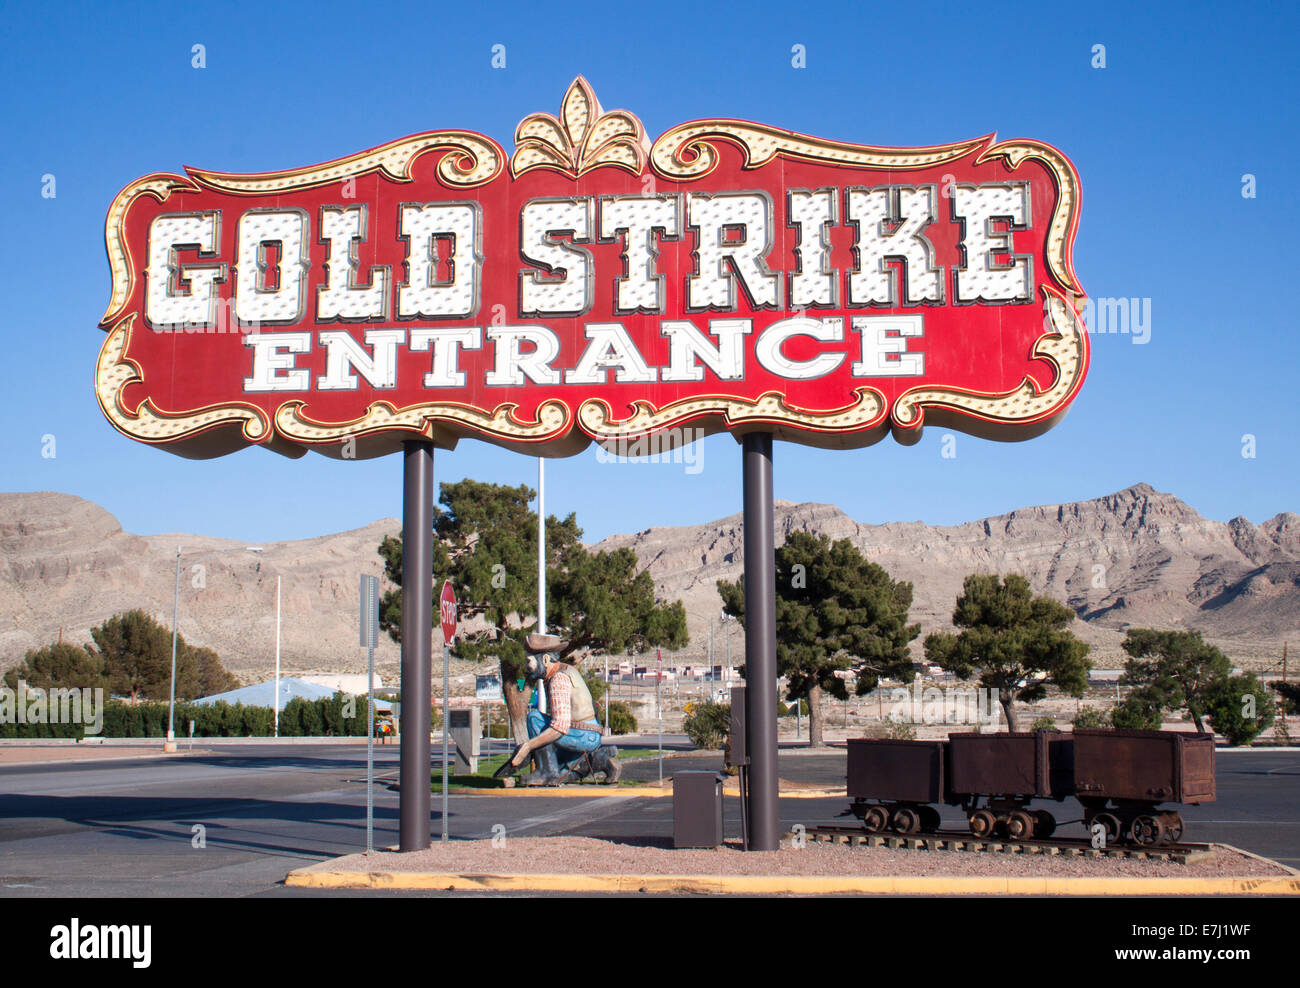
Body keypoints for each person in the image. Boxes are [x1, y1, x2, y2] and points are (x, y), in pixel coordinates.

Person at [495, 633, 620, 786]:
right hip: (590, 734)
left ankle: (546, 773)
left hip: (582, 735)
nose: (527, 666)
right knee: (563, 772)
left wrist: (528, 746)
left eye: (530, 661)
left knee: (534, 718)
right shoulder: (566, 671)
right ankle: (601, 760)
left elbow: (559, 727)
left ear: (545, 659)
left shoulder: (558, 680)